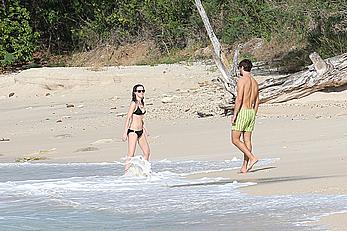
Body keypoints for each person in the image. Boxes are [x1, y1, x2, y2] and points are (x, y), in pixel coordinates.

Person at [231, 59, 259, 173]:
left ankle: (252, 158)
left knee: (235, 139)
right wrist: (254, 113)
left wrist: (234, 114)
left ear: (242, 68)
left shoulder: (242, 80)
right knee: (247, 140)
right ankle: (244, 166)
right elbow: (257, 101)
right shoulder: (255, 82)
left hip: (243, 111)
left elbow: (239, 99)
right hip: (251, 112)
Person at [122, 84, 150, 171]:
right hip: (133, 132)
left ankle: (143, 170)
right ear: (135, 92)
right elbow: (128, 117)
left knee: (147, 152)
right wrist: (125, 132)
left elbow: (141, 118)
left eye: (143, 91)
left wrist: (145, 128)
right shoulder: (133, 103)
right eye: (139, 91)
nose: (141, 93)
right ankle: (126, 174)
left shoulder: (142, 103)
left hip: (140, 132)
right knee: (131, 154)